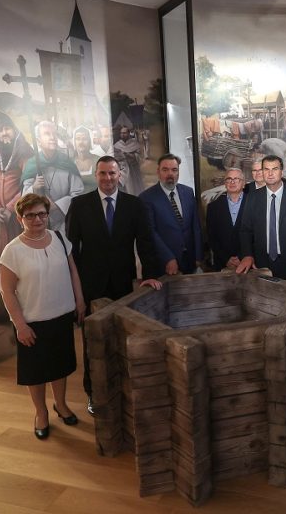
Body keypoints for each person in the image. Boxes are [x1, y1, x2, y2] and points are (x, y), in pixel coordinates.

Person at [65, 155, 162, 414]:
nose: (108, 178)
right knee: (92, 341)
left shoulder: (134, 205)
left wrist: (151, 275)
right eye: (103, 173)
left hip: (123, 285)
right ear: (95, 175)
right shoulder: (80, 205)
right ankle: (93, 392)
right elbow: (72, 251)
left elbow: (146, 243)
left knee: (121, 337)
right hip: (91, 286)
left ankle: (121, 389)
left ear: (120, 175)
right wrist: (76, 292)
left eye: (112, 173)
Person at [0, 194, 86, 439]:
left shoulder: (59, 238)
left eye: (41, 214)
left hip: (61, 315)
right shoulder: (12, 251)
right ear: (20, 218)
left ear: (47, 215)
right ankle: (41, 412)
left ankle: (61, 404)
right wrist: (20, 325)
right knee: (35, 371)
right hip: (32, 322)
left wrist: (79, 300)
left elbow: (73, 271)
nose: (37, 219)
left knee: (60, 366)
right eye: (30, 215)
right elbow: (6, 291)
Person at [236, 155, 286, 282]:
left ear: (282, 172)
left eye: (275, 169)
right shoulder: (253, 197)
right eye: (266, 169)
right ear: (262, 172)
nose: (270, 173)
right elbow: (245, 230)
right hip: (260, 264)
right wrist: (247, 255)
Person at [139, 153, 204, 276]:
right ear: (158, 172)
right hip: (165, 263)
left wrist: (198, 256)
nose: (170, 174)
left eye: (174, 170)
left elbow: (195, 226)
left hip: (190, 260)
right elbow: (151, 232)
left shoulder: (188, 192)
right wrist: (168, 258)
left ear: (178, 172)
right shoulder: (146, 198)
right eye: (165, 170)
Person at [21, 120, 84, 232]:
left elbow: (78, 194)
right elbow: (23, 199)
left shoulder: (67, 162)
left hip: (65, 223)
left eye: (54, 134)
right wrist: (34, 188)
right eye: (47, 134)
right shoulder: (32, 165)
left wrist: (57, 205)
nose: (52, 137)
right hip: (39, 224)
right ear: (38, 141)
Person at [0, 111, 33, 253]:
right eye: (0, 130)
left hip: (21, 211)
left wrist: (10, 208)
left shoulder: (24, 151)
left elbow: (28, 185)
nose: (4, 133)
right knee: (8, 252)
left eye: (7, 128)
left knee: (23, 252)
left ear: (14, 130)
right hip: (5, 215)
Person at [206, 168, 246, 271]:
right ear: (225, 183)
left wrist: (242, 257)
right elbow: (211, 237)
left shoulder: (253, 204)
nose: (232, 182)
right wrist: (226, 259)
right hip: (222, 264)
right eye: (229, 179)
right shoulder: (213, 207)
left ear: (243, 183)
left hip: (247, 263)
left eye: (236, 179)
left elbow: (258, 236)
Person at [113, 125, 144, 195]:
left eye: (124, 133)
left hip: (134, 169)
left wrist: (130, 155)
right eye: (121, 133)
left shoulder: (135, 144)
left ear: (128, 133)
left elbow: (140, 156)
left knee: (135, 187)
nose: (122, 135)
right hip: (122, 170)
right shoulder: (117, 145)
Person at [72, 125, 98, 193]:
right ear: (74, 142)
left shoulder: (98, 161)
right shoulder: (70, 162)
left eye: (84, 139)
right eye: (78, 139)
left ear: (90, 141)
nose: (81, 142)